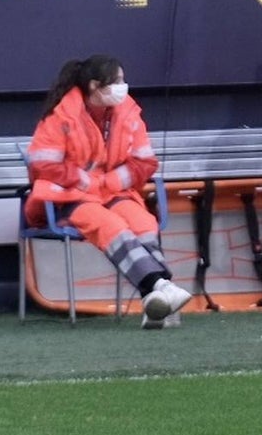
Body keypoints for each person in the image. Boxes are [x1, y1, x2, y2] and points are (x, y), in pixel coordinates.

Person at [24, 54, 191, 328]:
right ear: (94, 86)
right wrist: (85, 181)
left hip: (111, 193)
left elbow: (145, 163)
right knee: (111, 226)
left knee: (143, 222)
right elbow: (42, 164)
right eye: (117, 81)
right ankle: (160, 286)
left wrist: (110, 182)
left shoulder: (128, 112)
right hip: (68, 199)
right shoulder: (62, 115)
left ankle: (157, 303)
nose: (123, 87)